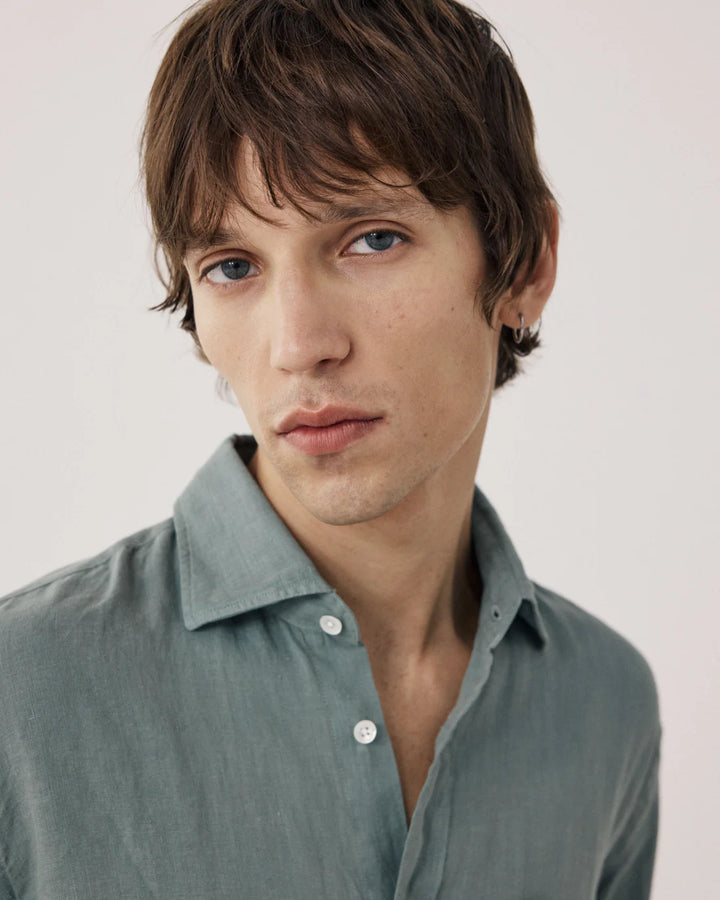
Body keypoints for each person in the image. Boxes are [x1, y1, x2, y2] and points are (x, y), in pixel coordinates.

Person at [0, 1, 661, 897]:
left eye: (370, 239)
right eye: (232, 265)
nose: (298, 343)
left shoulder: (605, 705)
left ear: (525, 266)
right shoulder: (23, 693)